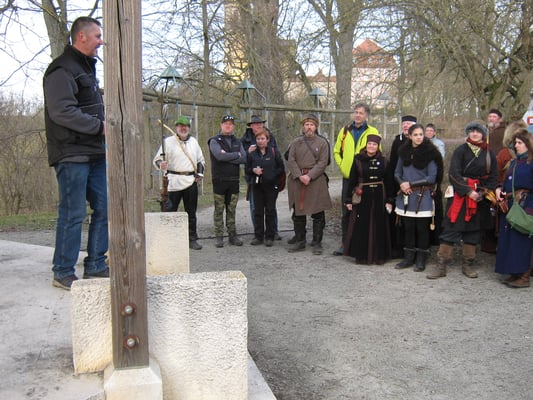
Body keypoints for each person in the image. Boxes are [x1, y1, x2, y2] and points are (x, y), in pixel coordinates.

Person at [43, 16, 108, 290]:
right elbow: (62, 111)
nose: (101, 41)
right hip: (71, 154)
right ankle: (62, 271)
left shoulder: (86, 69)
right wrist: (100, 127)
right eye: (97, 36)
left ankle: (96, 264)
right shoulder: (61, 69)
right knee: (73, 212)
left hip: (95, 153)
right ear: (81, 36)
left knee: (105, 206)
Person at [427, 121, 498, 280]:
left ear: (483, 134)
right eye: (472, 131)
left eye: (478, 131)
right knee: (450, 229)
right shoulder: (461, 150)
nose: (475, 134)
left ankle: (467, 264)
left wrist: (482, 192)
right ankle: (441, 265)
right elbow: (453, 174)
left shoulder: (489, 154)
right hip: (460, 196)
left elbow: (493, 177)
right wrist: (468, 191)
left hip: (479, 197)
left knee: (473, 232)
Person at [393, 124, 442, 272]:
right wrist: (402, 184)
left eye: (421, 134)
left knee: (422, 228)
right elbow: (397, 172)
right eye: (415, 135)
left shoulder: (430, 153)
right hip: (406, 194)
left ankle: (421, 258)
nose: (419, 137)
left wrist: (411, 184)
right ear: (409, 136)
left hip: (423, 196)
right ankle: (408, 257)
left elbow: (432, 177)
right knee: (408, 227)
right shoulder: (403, 152)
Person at [332, 102, 379, 256]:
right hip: (348, 177)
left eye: (361, 113)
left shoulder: (372, 131)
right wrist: (343, 166)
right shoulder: (345, 131)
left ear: (366, 115)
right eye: (356, 112)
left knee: (364, 211)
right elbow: (336, 151)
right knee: (347, 210)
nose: (358, 115)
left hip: (364, 179)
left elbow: (377, 153)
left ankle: (361, 244)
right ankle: (345, 243)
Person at [153, 116, 205, 250]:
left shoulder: (193, 142)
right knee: (170, 212)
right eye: (181, 126)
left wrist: (199, 174)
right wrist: (161, 164)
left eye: (186, 126)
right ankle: (169, 239)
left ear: (189, 128)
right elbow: (157, 159)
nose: (183, 128)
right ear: (176, 127)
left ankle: (192, 238)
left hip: (190, 181)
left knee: (191, 213)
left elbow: (200, 160)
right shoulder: (168, 142)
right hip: (173, 182)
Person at [343, 134, 393, 264]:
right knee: (362, 224)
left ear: (378, 146)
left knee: (379, 224)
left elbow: (389, 181)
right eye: (369, 144)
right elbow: (352, 180)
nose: (371, 146)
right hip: (363, 195)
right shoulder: (358, 160)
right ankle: (362, 256)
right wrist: (348, 199)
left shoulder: (384, 161)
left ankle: (378, 256)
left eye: (374, 144)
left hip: (379, 195)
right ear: (366, 145)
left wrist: (389, 200)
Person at [287, 113, 332, 255]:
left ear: (316, 127)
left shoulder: (322, 143)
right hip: (298, 180)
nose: (309, 127)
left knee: (318, 213)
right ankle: (300, 241)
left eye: (312, 125)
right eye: (306, 125)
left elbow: (323, 162)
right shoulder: (296, 142)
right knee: (298, 213)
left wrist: (310, 176)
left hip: (316, 181)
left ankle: (317, 242)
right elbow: (291, 159)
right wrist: (299, 175)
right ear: (303, 127)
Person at [495, 128, 533, 288]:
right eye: (515, 143)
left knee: (522, 241)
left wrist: (530, 209)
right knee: (510, 240)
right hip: (511, 205)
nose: (516, 146)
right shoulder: (515, 162)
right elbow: (505, 181)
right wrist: (499, 189)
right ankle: (514, 272)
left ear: (528, 144)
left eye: (520, 143)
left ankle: (524, 276)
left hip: (526, 205)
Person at [208, 115, 247, 248]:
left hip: (234, 180)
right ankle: (219, 236)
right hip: (219, 180)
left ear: (233, 126)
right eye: (226, 123)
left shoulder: (237, 141)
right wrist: (236, 155)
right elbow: (219, 156)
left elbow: (244, 158)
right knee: (219, 210)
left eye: (230, 124)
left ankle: (232, 235)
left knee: (232, 210)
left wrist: (227, 156)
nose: (228, 126)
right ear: (221, 125)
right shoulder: (214, 141)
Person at [241, 115, 282, 240]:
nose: (258, 125)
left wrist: (273, 176)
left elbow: (279, 164)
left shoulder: (271, 138)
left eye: (260, 123)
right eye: (255, 124)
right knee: (256, 208)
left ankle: (272, 232)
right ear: (251, 126)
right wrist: (248, 155)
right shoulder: (245, 140)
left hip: (270, 183)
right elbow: (243, 160)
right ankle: (258, 234)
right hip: (255, 182)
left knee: (271, 209)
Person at [388, 115, 418, 258]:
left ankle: (415, 249)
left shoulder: (420, 141)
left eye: (409, 124)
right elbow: (393, 164)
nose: (406, 126)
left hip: (416, 185)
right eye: (404, 123)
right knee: (398, 217)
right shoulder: (397, 141)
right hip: (398, 183)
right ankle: (398, 247)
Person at [425, 123, 445, 245]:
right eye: (427, 130)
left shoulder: (439, 144)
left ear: (434, 132)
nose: (428, 132)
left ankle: (436, 235)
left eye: (430, 130)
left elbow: (439, 160)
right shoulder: (421, 143)